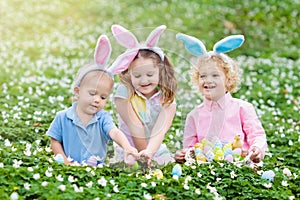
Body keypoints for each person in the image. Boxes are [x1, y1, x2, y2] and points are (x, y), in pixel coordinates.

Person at [174, 33, 268, 163]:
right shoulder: (194, 115)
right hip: (208, 171)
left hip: (240, 165)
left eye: (215, 75)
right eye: (203, 76)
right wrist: (183, 154)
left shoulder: (243, 108)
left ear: (228, 80)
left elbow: (257, 135)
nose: (208, 80)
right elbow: (190, 148)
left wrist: (257, 148)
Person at [46, 35, 138, 166]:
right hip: (69, 168)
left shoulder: (103, 118)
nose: (97, 100)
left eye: (103, 97)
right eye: (92, 93)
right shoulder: (63, 117)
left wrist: (127, 147)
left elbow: (114, 132)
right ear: (77, 91)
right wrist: (64, 160)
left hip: (96, 169)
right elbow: (55, 140)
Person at [109, 25, 178, 166]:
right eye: (137, 75)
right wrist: (142, 156)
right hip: (129, 150)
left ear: (160, 72)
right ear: (129, 74)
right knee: (131, 168)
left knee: (167, 165)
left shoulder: (167, 98)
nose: (144, 80)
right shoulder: (124, 93)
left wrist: (149, 153)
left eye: (150, 74)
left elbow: (161, 130)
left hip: (154, 148)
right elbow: (136, 128)